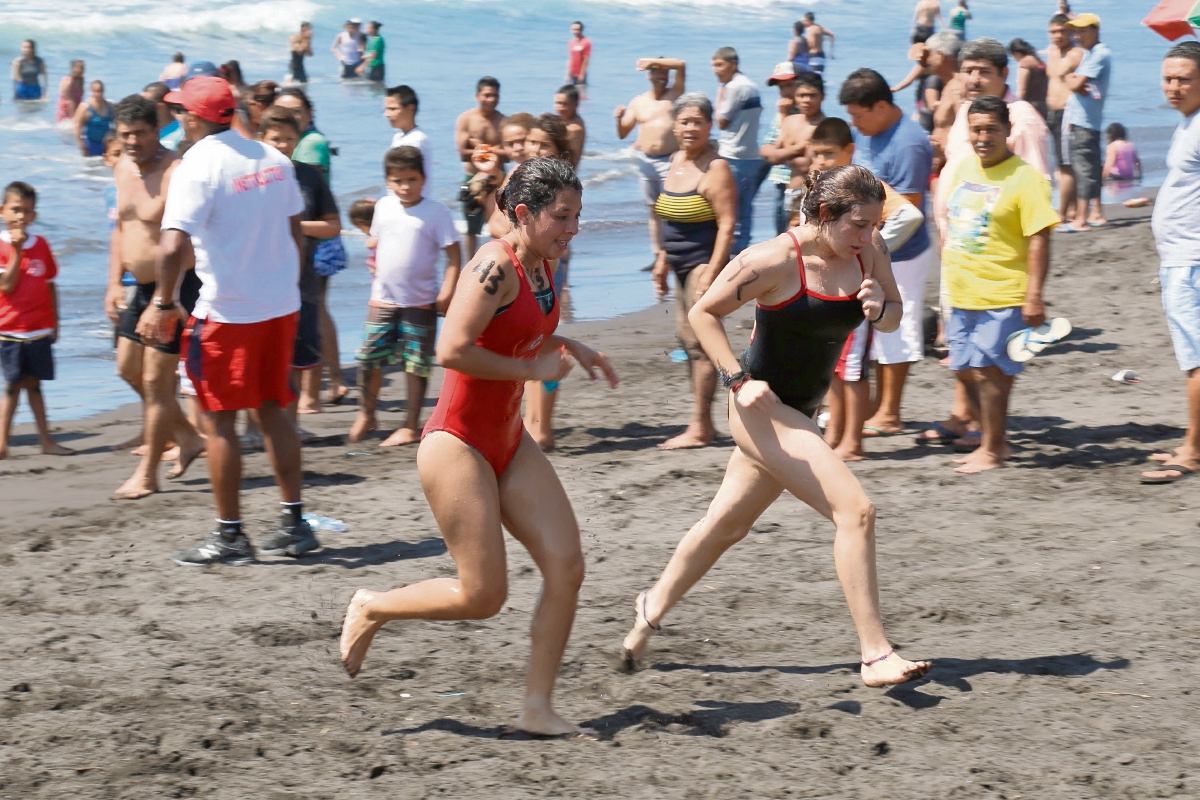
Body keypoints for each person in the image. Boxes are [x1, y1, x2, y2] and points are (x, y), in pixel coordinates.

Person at [338, 157, 619, 739]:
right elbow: (452, 348)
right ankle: (373, 605)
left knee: (567, 567)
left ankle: (536, 707)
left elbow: (516, 327)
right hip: (457, 443)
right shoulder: (495, 263)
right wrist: (531, 365)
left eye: (578, 217)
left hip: (508, 440)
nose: (573, 229)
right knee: (483, 594)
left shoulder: (543, 264)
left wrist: (567, 342)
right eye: (562, 217)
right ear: (522, 213)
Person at [619, 165, 928, 687]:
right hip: (759, 409)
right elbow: (703, 314)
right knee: (856, 511)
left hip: (802, 412)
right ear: (826, 215)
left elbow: (895, 313)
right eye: (859, 224)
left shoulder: (868, 252)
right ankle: (876, 654)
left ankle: (649, 608)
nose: (869, 236)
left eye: (875, 224)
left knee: (726, 526)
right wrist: (737, 381)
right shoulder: (772, 260)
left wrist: (880, 310)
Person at [145, 76, 316, 565]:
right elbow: (294, 234)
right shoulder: (274, 158)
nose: (178, 118)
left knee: (217, 420)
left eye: (181, 111)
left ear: (196, 117)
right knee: (272, 409)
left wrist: (163, 302)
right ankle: (294, 523)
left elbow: (174, 243)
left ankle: (229, 536)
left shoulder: (197, 164)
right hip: (279, 306)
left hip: (226, 311)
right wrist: (283, 287)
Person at [936, 96, 1059, 474]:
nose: (983, 137)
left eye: (991, 129)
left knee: (992, 373)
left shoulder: (1026, 178)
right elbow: (949, 219)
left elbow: (1039, 237)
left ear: (1009, 131)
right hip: (960, 290)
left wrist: (1033, 295)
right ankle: (989, 438)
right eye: (976, 129)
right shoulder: (961, 168)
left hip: (1003, 291)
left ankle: (993, 447)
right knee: (963, 367)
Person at [799, 119, 924, 456]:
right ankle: (836, 434)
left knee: (853, 369)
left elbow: (910, 215)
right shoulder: (816, 191)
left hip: (855, 291)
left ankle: (852, 442)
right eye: (817, 154)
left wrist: (871, 248)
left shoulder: (862, 187)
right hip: (824, 289)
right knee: (834, 367)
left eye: (830, 153)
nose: (822, 160)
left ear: (848, 152)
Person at [106, 94, 205, 499]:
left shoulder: (174, 172)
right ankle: (187, 436)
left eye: (140, 134)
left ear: (156, 131)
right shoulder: (122, 168)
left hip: (174, 286)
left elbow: (185, 243)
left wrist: (164, 299)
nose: (132, 141)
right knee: (128, 369)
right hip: (139, 287)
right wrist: (114, 283)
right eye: (125, 134)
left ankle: (147, 476)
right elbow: (121, 231)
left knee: (156, 381)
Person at [838, 70, 935, 441]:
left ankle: (891, 413)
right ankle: (875, 406)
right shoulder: (871, 133)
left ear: (881, 106)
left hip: (902, 253)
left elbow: (908, 211)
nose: (854, 123)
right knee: (872, 330)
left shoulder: (908, 144)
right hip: (869, 249)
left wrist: (872, 253)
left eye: (858, 115)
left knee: (897, 328)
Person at [350, 146, 461, 447]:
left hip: (421, 301)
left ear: (423, 179)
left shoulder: (436, 213)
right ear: (387, 181)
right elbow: (377, 240)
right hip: (382, 299)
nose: (405, 186)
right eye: (398, 180)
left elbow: (453, 255)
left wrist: (447, 291)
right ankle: (367, 412)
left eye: (412, 179)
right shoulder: (384, 207)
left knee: (416, 365)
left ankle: (410, 425)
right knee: (368, 358)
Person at [650, 94, 737, 450]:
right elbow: (669, 217)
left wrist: (712, 272)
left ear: (709, 125)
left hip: (703, 264)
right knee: (687, 343)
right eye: (684, 121)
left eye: (697, 121)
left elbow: (728, 225)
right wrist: (662, 258)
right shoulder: (675, 160)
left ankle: (701, 427)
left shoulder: (716, 168)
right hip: (679, 264)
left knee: (700, 346)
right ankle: (704, 424)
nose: (690, 128)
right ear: (674, 125)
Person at [259, 106, 342, 423]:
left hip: (300, 279)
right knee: (259, 358)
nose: (282, 145)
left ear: (298, 140)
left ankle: (289, 425)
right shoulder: (249, 178)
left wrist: (294, 225)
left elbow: (332, 227)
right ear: (261, 138)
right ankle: (257, 428)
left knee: (295, 357)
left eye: (288, 139)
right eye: (275, 139)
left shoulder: (310, 176)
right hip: (256, 279)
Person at [1143, 41, 1200, 485]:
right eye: (1168, 78)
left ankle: (1193, 450)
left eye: (1184, 78)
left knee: (1196, 361)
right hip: (1179, 258)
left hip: (1191, 261)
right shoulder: (1188, 124)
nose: (1174, 87)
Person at [0, 182, 73, 460]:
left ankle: (46, 440)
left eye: (27, 211)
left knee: (35, 385)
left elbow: (51, 284)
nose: (20, 216)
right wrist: (17, 251)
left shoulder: (41, 244)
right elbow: (6, 286)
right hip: (9, 330)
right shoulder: (2, 246)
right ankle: (2, 443)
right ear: (3, 211)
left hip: (39, 328)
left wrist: (55, 322)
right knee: (11, 386)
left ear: (34, 215)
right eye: (15, 210)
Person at [942, 39, 1051, 180]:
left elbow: (1036, 182)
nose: (974, 80)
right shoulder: (967, 109)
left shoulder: (1023, 120)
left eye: (984, 72)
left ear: (1004, 74)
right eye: (968, 71)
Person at [615, 57, 686, 264]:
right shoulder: (639, 102)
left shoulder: (675, 95)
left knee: (672, 208)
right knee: (653, 210)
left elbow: (681, 65)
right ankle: (657, 255)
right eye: (657, 72)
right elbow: (623, 133)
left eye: (665, 72)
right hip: (646, 161)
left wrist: (651, 61)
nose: (662, 76)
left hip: (670, 160)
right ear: (649, 75)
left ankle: (674, 252)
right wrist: (618, 118)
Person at [1062, 13, 1112, 231]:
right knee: (1090, 167)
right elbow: (1078, 85)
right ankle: (1097, 213)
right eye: (1075, 31)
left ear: (1095, 30)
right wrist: (1075, 81)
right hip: (1088, 120)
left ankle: (1080, 219)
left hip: (1085, 121)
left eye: (1082, 31)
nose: (1077, 36)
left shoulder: (1098, 54)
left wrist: (1071, 78)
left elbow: (1075, 83)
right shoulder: (1091, 54)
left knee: (1082, 170)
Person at [712, 47, 763, 255]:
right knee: (745, 209)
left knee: (729, 209)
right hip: (751, 155)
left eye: (719, 65)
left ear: (733, 64)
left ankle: (733, 254)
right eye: (713, 65)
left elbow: (722, 121)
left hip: (733, 155)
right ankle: (741, 250)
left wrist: (719, 95)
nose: (715, 70)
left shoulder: (733, 87)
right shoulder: (752, 85)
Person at [768, 70, 827, 232]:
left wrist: (784, 152)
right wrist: (798, 148)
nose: (806, 100)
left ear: (822, 96)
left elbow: (804, 164)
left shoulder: (823, 126)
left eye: (812, 95)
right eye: (801, 95)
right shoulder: (789, 121)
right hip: (790, 191)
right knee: (784, 238)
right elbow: (772, 157)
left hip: (811, 193)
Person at [455, 77, 504, 257]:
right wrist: (493, 149)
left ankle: (498, 261)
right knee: (471, 228)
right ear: (477, 96)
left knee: (498, 226)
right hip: (471, 179)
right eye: (487, 95)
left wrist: (480, 147)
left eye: (495, 95)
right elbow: (462, 153)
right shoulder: (466, 119)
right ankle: (470, 263)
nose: (491, 99)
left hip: (496, 179)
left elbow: (508, 155)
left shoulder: (502, 121)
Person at [1046, 13, 1084, 226]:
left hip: (1066, 112)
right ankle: (1070, 209)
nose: (1057, 35)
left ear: (1070, 31)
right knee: (1061, 165)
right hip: (1051, 112)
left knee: (1066, 164)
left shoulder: (1075, 53)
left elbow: (1066, 73)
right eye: (1053, 31)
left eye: (1062, 31)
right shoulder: (1051, 50)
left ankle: (1062, 213)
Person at [758, 62, 801, 236]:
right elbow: (769, 147)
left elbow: (783, 145)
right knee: (779, 226)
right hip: (779, 178)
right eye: (781, 87)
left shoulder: (801, 112)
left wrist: (783, 116)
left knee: (793, 228)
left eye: (789, 85)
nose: (785, 92)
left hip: (796, 180)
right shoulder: (782, 111)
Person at [275, 87, 331, 181]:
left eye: (295, 111)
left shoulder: (312, 141)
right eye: (281, 111)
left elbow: (305, 186)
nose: (288, 116)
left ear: (309, 114)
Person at [385, 85, 433, 190]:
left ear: (410, 109)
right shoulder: (398, 137)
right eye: (386, 109)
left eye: (392, 109)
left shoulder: (416, 140)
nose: (386, 114)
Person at [1009, 38, 1048, 120]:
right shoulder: (1040, 62)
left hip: (1030, 105)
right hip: (1043, 104)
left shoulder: (1025, 63)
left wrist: (1016, 106)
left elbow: (1022, 89)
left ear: (1016, 53)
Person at [73, 80, 114, 157]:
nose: (98, 94)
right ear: (91, 91)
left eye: (100, 91)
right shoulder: (85, 106)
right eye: (95, 91)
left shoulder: (109, 105)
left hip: (107, 144)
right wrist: (81, 145)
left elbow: (117, 123)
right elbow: (77, 125)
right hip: (91, 144)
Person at [554, 85, 587, 169]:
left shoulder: (574, 129)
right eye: (557, 103)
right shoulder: (564, 119)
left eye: (564, 104)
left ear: (575, 104)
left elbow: (570, 162)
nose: (560, 108)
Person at [566, 21, 591, 85]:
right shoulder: (571, 42)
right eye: (573, 29)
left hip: (580, 73)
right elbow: (571, 59)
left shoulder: (586, 42)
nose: (575, 31)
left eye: (577, 30)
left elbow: (586, 60)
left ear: (581, 30)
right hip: (572, 73)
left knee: (581, 92)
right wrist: (568, 74)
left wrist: (582, 74)